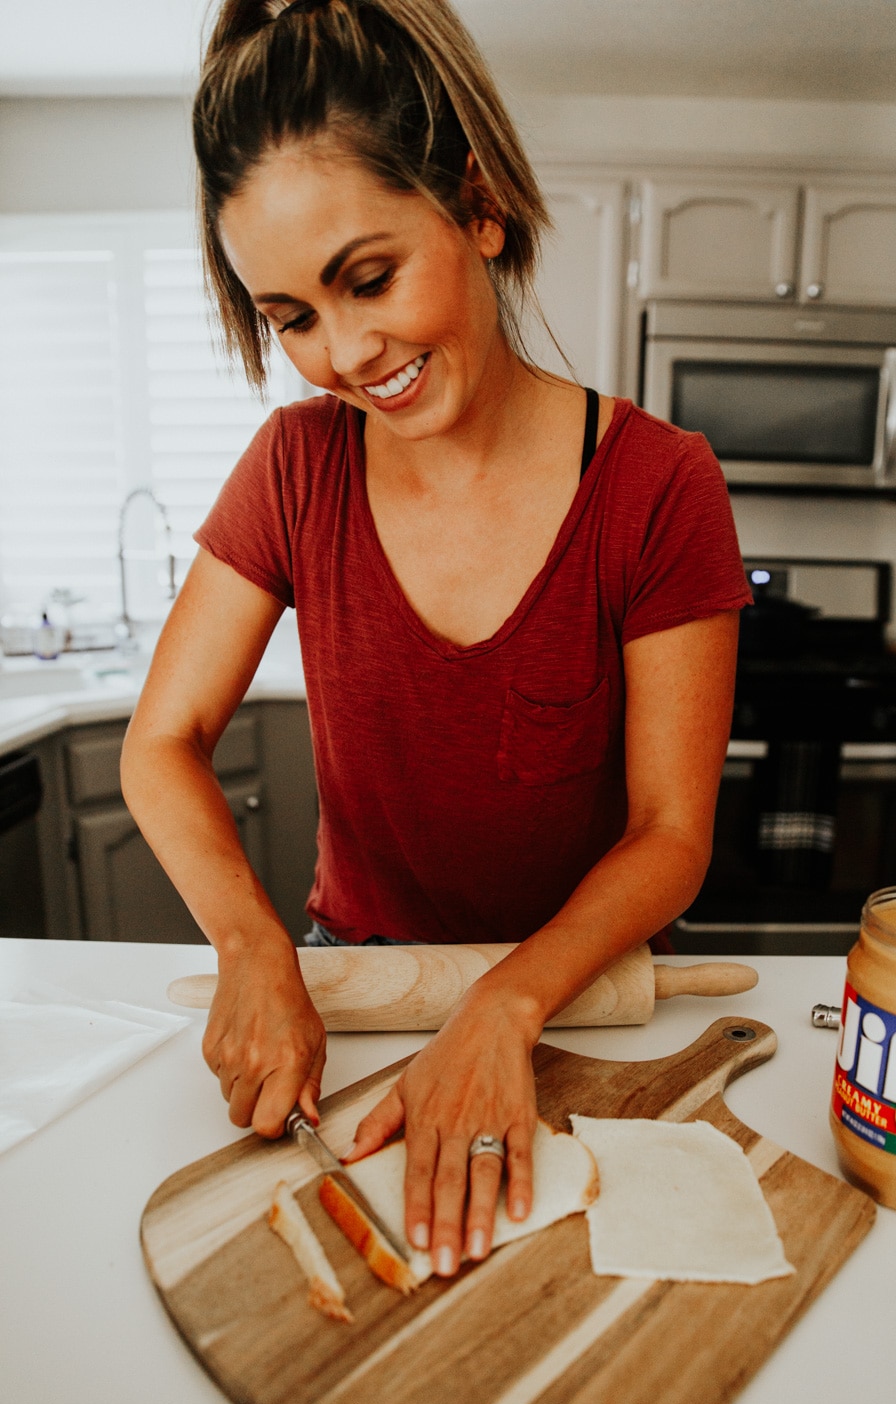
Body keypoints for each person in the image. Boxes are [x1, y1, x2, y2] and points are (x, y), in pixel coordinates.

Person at [120, 0, 752, 1281]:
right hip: (358, 991)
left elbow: (671, 837)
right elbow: (162, 743)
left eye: (368, 279)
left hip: (588, 997)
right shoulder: (294, 471)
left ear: (476, 204)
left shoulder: (660, 485)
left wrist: (507, 1001)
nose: (345, 354)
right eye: (290, 315)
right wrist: (251, 946)